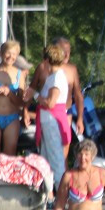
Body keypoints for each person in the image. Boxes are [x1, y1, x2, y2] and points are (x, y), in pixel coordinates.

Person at [29, 36, 84, 139]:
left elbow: (78, 95)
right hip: (46, 112)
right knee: (46, 144)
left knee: (63, 145)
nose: (67, 55)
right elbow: (31, 89)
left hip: (65, 112)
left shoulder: (72, 69)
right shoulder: (42, 67)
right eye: (64, 51)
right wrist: (25, 111)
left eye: (69, 51)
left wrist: (80, 118)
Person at [36, 43, 72, 200]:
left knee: (56, 161)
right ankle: (48, 196)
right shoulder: (53, 77)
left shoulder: (57, 78)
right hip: (47, 122)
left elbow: (50, 102)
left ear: (47, 60)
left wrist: (35, 95)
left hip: (52, 122)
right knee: (45, 160)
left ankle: (65, 197)